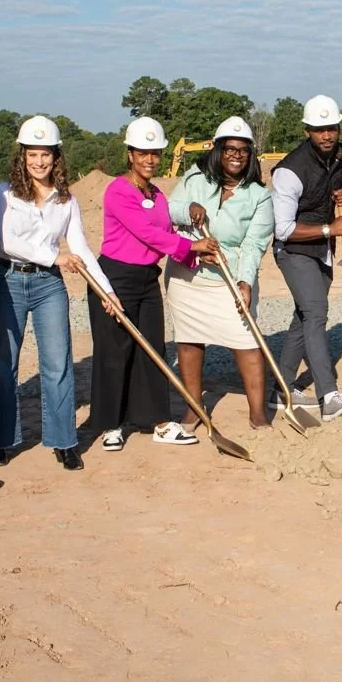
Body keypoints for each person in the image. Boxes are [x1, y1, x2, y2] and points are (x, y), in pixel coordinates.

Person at [0, 116, 123, 472]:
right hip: (8, 280)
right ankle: (0, 441)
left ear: (56, 157)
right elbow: (8, 242)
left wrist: (107, 291)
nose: (39, 161)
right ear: (22, 156)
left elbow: (82, 249)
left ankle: (64, 441)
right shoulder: (4, 194)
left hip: (48, 285)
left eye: (45, 154)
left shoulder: (66, 201)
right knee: (2, 363)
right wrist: (55, 257)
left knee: (58, 363)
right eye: (32, 154)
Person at [87, 117, 219, 451]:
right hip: (115, 277)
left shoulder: (157, 194)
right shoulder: (118, 190)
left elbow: (167, 233)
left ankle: (158, 421)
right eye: (143, 153)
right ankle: (111, 425)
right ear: (130, 154)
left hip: (147, 279)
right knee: (115, 352)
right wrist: (192, 247)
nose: (150, 159)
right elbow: (145, 233)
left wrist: (195, 257)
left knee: (153, 350)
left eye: (155, 153)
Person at [166, 115, 275, 430]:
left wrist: (245, 281)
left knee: (246, 341)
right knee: (189, 340)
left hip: (230, 279)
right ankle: (194, 408)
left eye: (243, 150)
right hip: (188, 278)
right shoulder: (194, 179)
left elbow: (254, 244)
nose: (236, 155)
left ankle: (257, 414)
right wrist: (188, 210)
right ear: (218, 150)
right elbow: (168, 211)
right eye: (230, 148)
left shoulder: (259, 195)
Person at [269, 94, 342, 421]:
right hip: (293, 251)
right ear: (307, 130)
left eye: (332, 128)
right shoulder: (289, 171)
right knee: (316, 312)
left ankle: (281, 388)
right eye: (320, 129)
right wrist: (328, 229)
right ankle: (329, 395)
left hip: (323, 249)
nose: (327, 135)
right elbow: (282, 229)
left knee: (304, 316)